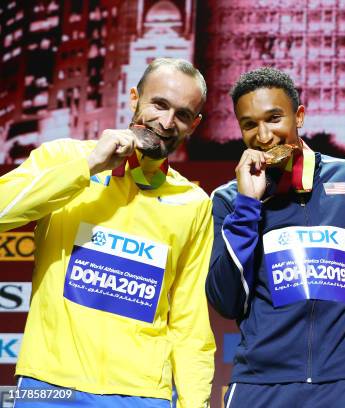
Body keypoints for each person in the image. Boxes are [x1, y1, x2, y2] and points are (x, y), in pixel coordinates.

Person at [0, 58, 215, 408]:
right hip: (50, 387)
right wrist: (88, 167)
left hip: (144, 396)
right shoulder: (66, 157)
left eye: (182, 114)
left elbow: (190, 323)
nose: (166, 122)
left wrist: (194, 403)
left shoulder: (193, 203)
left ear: (194, 125)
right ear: (134, 98)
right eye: (158, 104)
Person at [206, 67, 345, 407]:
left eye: (274, 118)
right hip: (260, 382)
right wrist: (247, 205)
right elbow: (226, 302)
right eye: (249, 124)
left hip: (344, 380)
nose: (264, 135)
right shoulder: (228, 199)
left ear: (299, 117)